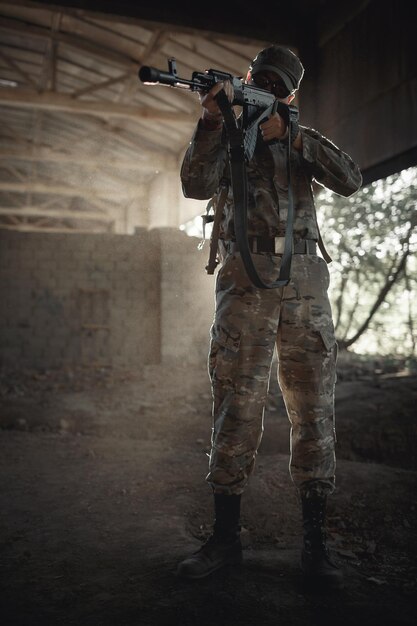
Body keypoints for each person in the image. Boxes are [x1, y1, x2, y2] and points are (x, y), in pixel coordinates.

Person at [176, 45, 362, 588]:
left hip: (303, 282)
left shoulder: (298, 135)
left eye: (281, 88)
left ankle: (315, 548)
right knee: (235, 405)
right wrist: (213, 120)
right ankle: (225, 540)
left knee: (314, 413)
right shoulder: (230, 131)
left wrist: (294, 136)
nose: (271, 93)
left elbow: (351, 178)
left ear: (292, 94)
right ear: (248, 77)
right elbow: (194, 185)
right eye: (264, 82)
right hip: (244, 278)